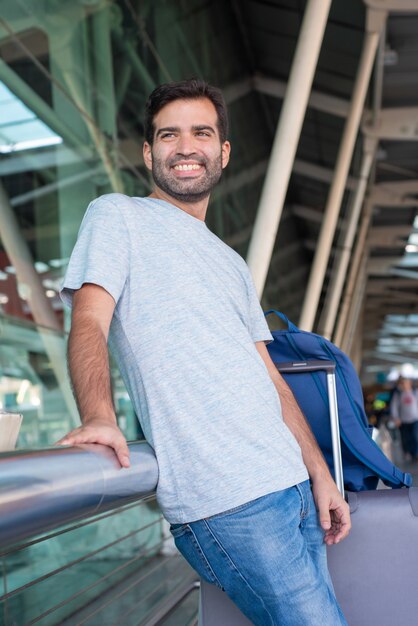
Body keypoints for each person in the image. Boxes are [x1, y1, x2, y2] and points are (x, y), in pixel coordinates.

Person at [58, 78, 350, 625]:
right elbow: (89, 323)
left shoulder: (231, 262)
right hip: (228, 499)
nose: (186, 147)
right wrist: (99, 416)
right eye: (169, 135)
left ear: (223, 151)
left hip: (289, 485)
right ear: (149, 152)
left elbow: (270, 378)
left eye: (201, 133)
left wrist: (318, 472)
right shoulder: (116, 215)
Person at [390, 376, 418, 461]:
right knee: (405, 437)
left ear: (410, 383)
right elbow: (394, 407)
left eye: (406, 383)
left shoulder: (415, 392)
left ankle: (416, 453)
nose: (405, 385)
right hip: (403, 420)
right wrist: (396, 418)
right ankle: (407, 452)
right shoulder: (398, 394)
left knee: (415, 436)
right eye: (403, 383)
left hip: (415, 418)